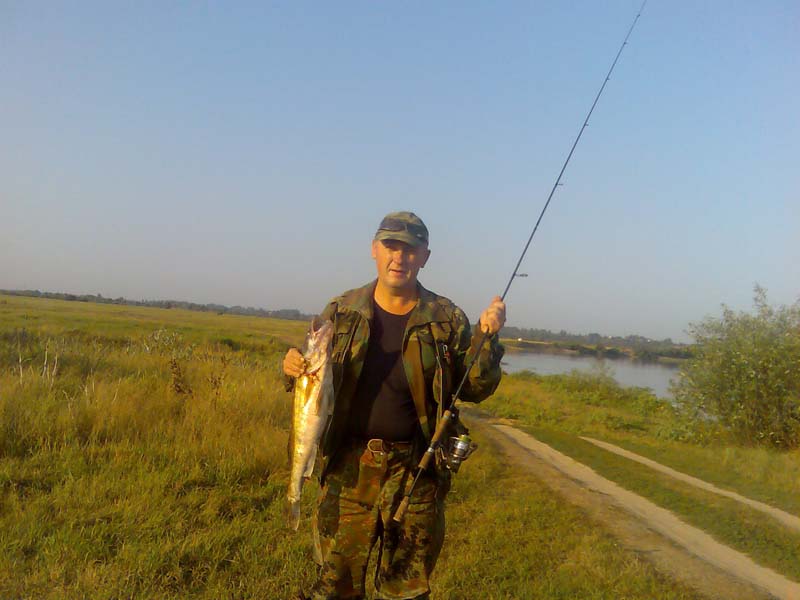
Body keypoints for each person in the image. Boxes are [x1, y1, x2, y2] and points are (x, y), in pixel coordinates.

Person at [282, 211, 505, 600]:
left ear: (425, 257)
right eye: (391, 246)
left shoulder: (446, 319)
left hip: (416, 471)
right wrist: (291, 368)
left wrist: (486, 340)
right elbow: (311, 379)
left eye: (410, 249)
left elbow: (473, 388)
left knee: (405, 590)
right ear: (374, 250)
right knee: (335, 586)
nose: (399, 257)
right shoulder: (342, 311)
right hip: (349, 468)